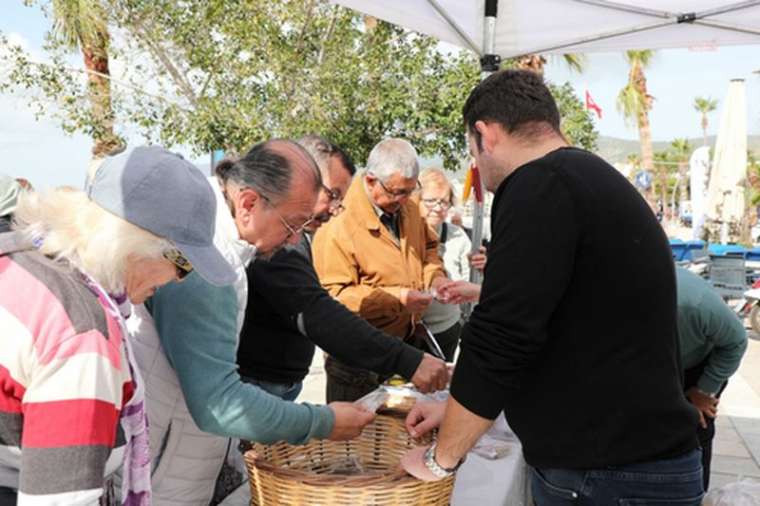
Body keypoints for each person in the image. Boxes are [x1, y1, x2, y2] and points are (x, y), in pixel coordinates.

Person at [400, 69, 703, 505]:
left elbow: (501, 336)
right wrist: (456, 413)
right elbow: (560, 330)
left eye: (472, 152)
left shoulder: (537, 184)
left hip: (607, 472)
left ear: (485, 134)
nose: (477, 169)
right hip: (636, 463)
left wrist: (441, 458)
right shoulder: (590, 179)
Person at [125, 139, 375, 505]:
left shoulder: (213, 241)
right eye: (292, 224)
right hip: (164, 470)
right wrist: (323, 422)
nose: (294, 239)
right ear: (248, 203)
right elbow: (219, 403)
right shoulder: (207, 264)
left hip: (174, 451)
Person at [0, 146, 235, 505]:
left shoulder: (20, 260)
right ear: (135, 244)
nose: (179, 280)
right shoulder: (81, 335)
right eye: (183, 264)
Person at [237, 135, 449, 403]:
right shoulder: (286, 243)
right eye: (333, 195)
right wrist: (405, 351)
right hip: (268, 380)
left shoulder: (290, 235)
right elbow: (322, 311)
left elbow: (428, 250)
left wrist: (434, 278)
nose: (335, 210)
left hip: (288, 376)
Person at [312, 138, 453, 402]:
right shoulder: (338, 222)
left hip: (403, 343)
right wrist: (397, 298)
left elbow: (430, 250)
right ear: (370, 181)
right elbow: (333, 297)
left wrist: (436, 279)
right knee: (353, 439)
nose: (403, 200)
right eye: (396, 192)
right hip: (355, 361)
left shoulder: (409, 208)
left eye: (410, 192)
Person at [676, 266, 747, 490]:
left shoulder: (693, 304)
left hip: (701, 364)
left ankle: (697, 494)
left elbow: (736, 342)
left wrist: (704, 391)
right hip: (659, 362)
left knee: (697, 425)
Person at [416, 168, 485, 360]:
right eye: (430, 201)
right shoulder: (402, 234)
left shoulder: (457, 235)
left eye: (444, 202)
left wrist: (481, 267)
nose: (438, 208)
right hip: (409, 329)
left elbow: (467, 283)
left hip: (446, 327)